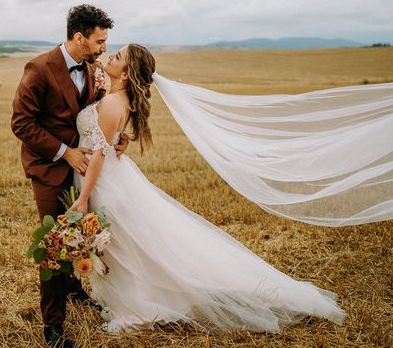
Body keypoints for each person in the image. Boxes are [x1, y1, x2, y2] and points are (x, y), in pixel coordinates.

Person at [69, 44, 346, 333]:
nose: (111, 54)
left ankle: (137, 309)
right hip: (109, 178)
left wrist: (84, 197)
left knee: (124, 249)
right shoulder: (117, 96)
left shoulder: (114, 102)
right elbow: (106, 139)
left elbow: (99, 154)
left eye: (119, 55)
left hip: (103, 181)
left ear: (126, 74)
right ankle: (137, 301)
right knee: (127, 246)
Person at [11, 4, 128, 348]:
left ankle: (76, 290)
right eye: (99, 41)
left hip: (86, 169)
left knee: (82, 230)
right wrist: (66, 152)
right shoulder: (39, 68)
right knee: (55, 242)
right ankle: (53, 325)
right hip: (49, 167)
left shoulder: (94, 69)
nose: (104, 47)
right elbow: (21, 123)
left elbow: (97, 114)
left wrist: (118, 138)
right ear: (79, 37)